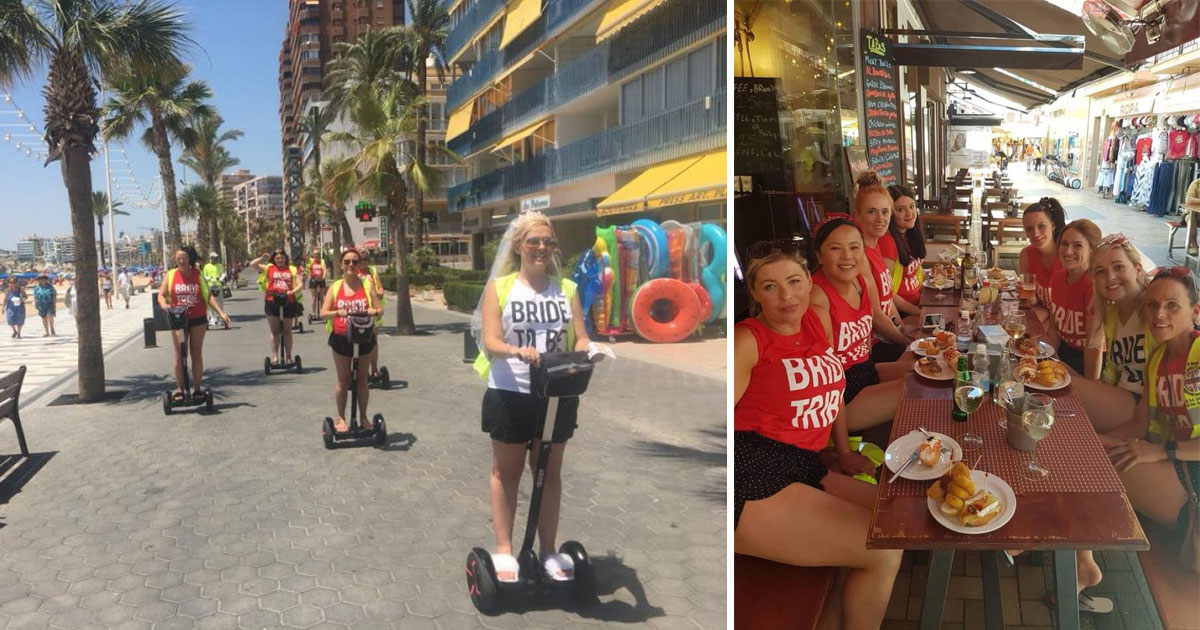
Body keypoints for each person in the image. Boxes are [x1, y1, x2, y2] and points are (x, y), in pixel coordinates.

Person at [734, 240, 901, 630]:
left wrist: (840, 451)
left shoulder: (813, 322)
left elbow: (834, 389)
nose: (786, 295)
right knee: (883, 547)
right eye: (770, 286)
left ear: (809, 282)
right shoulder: (749, 340)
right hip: (753, 474)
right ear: (756, 294)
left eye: (793, 281)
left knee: (896, 521)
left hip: (803, 463)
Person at [471, 211, 597, 584]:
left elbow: (580, 337)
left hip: (557, 394)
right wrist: (516, 350)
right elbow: (491, 340)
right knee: (506, 472)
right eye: (534, 241)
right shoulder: (502, 287)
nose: (541, 248)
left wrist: (591, 348)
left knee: (548, 473)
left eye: (548, 241)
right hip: (511, 390)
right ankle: (505, 550)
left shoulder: (567, 289)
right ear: (519, 246)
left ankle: (547, 550)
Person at [1098, 267, 1200, 575]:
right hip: (1177, 463)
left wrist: (1160, 451)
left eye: (1172, 305)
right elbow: (1139, 425)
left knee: (1095, 474)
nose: (1159, 314)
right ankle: (1081, 565)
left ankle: (1081, 565)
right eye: (1152, 304)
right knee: (1087, 460)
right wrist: (1089, 441)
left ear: (1195, 312)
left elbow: (1152, 443)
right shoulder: (1159, 361)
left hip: (1189, 472)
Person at [807, 213, 913, 432]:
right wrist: (842, 450)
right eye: (835, 248)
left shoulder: (862, 282)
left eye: (855, 248)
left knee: (929, 371)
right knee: (920, 389)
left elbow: (868, 333)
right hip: (841, 395)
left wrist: (906, 338)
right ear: (819, 255)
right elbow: (825, 382)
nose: (847, 257)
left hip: (864, 371)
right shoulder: (816, 298)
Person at [851, 171, 913, 364]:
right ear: (858, 215)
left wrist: (903, 328)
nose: (880, 218)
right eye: (872, 211)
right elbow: (876, 315)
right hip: (876, 346)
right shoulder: (859, 256)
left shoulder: (875, 245)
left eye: (885, 211)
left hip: (889, 336)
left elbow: (888, 299)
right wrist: (906, 341)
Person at [320, 247, 383, 433]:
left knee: (363, 379)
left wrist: (371, 311)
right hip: (341, 338)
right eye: (347, 262)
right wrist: (337, 312)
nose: (351, 265)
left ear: (360, 265)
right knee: (343, 379)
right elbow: (323, 313)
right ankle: (340, 418)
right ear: (341, 265)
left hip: (363, 336)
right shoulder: (335, 287)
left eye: (355, 262)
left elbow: (379, 309)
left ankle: (363, 417)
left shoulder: (366, 285)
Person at [157, 247, 231, 402]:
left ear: (189, 258)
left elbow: (207, 296)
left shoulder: (198, 274)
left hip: (198, 318)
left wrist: (221, 313)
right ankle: (180, 390)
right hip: (178, 319)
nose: (181, 261)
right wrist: (165, 306)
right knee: (179, 355)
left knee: (196, 353)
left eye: (184, 258)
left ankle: (197, 389)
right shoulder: (171, 275)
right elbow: (161, 295)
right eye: (178, 258)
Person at [1046, 219, 1102, 375]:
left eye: (1077, 245)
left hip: (1086, 361)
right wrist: (1044, 359)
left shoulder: (1093, 286)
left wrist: (1091, 387)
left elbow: (1094, 346)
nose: (1068, 251)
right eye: (1064, 244)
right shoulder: (1058, 278)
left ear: (1092, 250)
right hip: (1063, 352)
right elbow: (1053, 329)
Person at [1018, 198, 1068, 326]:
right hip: (1046, 321)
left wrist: (1046, 313)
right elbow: (1033, 302)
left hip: (1067, 328)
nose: (1036, 233)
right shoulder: (1026, 255)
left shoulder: (1067, 256)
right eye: (1029, 229)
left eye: (1041, 226)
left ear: (1053, 225)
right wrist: (1030, 296)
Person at [252, 250, 303, 365]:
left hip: (288, 301)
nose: (280, 260)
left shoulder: (292, 269)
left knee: (287, 331)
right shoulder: (269, 268)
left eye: (282, 257)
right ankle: (274, 356)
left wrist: (292, 291)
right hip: (272, 301)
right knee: (274, 331)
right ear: (274, 259)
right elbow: (253, 265)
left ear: (285, 258)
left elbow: (300, 284)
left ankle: (289, 356)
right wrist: (261, 258)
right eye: (277, 258)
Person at [883, 183, 926, 317]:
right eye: (900, 209)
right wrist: (918, 312)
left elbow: (915, 271)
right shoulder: (887, 242)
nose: (909, 214)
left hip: (920, 301)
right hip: (904, 313)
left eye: (912, 207)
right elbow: (887, 294)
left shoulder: (909, 234)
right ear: (890, 213)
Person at [357, 256, 386, 379]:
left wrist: (379, 292)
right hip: (361, 310)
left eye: (366, 260)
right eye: (361, 260)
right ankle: (364, 371)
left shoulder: (372, 271)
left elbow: (380, 286)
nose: (364, 262)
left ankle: (374, 368)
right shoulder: (354, 273)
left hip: (374, 309)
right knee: (362, 341)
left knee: (373, 340)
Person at [202, 253, 226, 328]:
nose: (215, 259)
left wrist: (222, 278)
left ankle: (221, 316)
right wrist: (207, 278)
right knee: (210, 303)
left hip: (218, 285)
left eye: (216, 258)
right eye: (213, 258)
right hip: (210, 286)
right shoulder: (206, 266)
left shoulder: (220, 265)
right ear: (210, 258)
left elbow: (223, 273)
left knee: (220, 302)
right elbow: (204, 275)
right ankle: (212, 318)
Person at [306, 247, 329, 321]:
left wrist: (324, 276)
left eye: (317, 254)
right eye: (315, 254)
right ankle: (313, 313)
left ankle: (322, 312)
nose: (316, 256)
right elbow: (308, 268)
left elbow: (324, 270)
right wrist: (309, 276)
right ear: (313, 255)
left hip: (321, 279)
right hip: (313, 280)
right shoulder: (311, 261)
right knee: (314, 297)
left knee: (322, 297)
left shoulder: (322, 261)